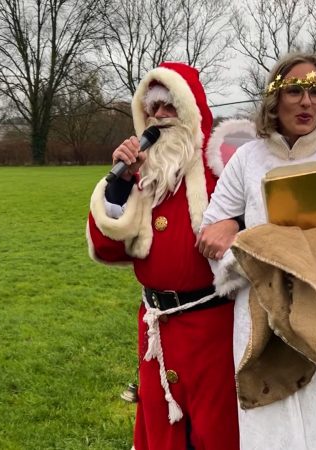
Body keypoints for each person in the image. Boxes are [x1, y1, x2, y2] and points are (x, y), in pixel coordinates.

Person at [198, 52, 316, 449]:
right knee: (270, 433)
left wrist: (282, 251)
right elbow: (211, 234)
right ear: (274, 100)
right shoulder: (248, 159)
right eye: (296, 91)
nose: (307, 102)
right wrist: (235, 231)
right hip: (261, 317)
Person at [86, 62, 240, 450]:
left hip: (214, 329)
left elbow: (261, 219)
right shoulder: (143, 174)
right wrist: (120, 182)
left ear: (190, 109)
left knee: (218, 432)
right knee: (163, 435)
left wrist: (235, 224)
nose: (159, 116)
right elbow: (107, 246)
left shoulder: (223, 167)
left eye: (169, 106)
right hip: (156, 330)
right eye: (152, 109)